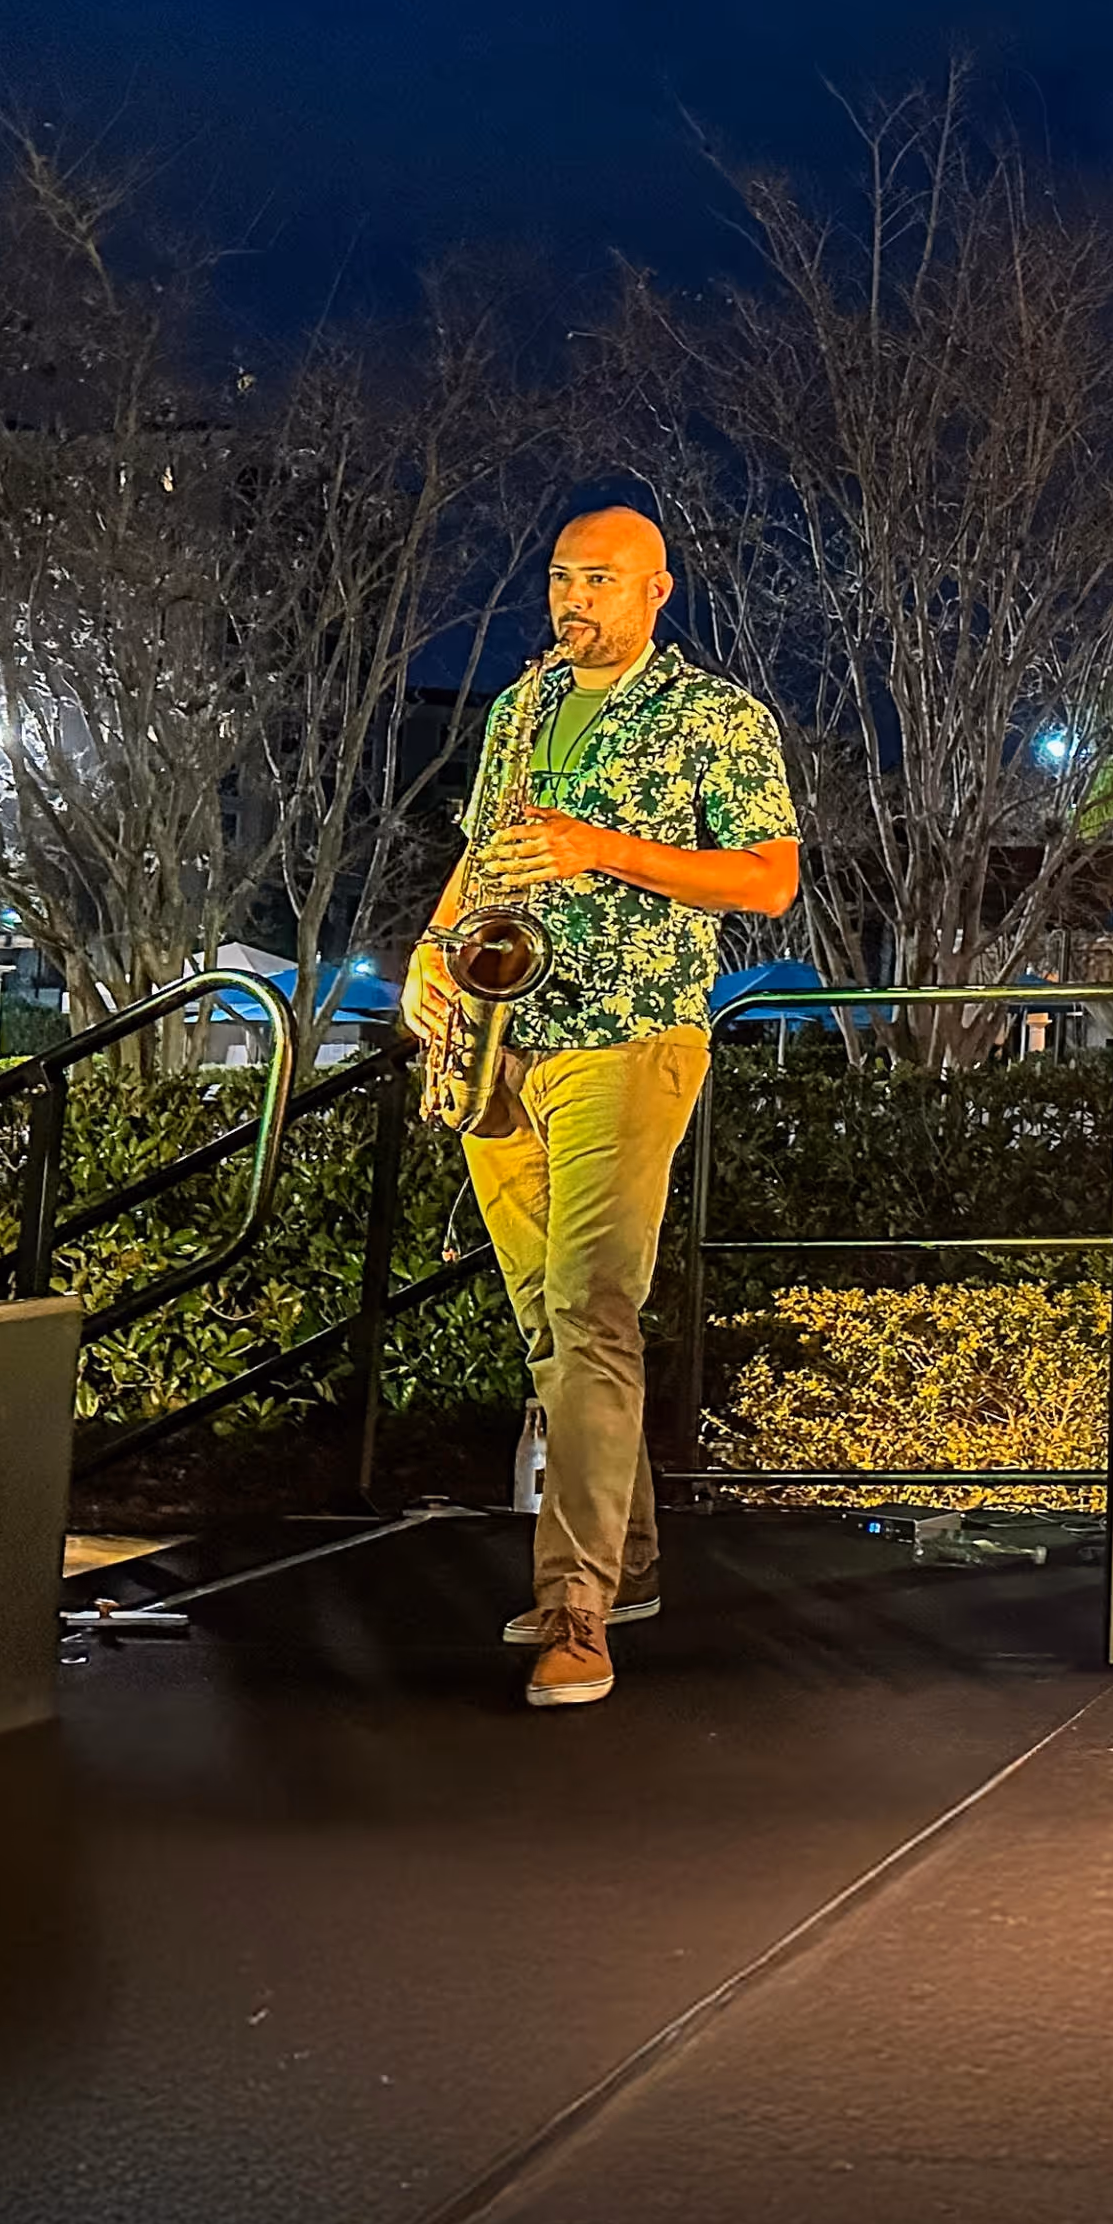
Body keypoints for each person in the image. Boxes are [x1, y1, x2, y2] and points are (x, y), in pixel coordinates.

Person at [406, 505, 800, 1709]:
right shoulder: (519, 710)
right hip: (503, 1035)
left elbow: (770, 882)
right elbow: (480, 857)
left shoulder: (715, 718)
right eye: (561, 578)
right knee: (545, 1318)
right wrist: (432, 950)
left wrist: (598, 846)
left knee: (588, 1308)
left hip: (630, 1037)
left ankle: (575, 1606)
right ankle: (624, 1563)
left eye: (599, 581)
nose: (573, 599)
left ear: (656, 591)